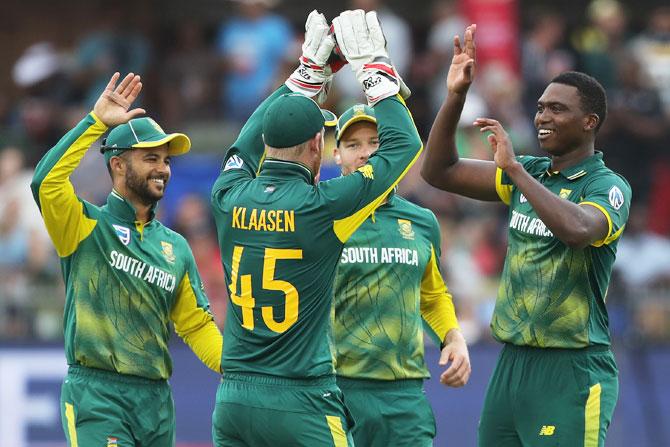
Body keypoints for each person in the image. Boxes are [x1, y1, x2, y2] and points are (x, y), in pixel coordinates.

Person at [209, 9, 422, 446]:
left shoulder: (227, 195)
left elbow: (244, 142)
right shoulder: (324, 206)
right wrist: (375, 70)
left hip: (232, 402)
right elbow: (406, 145)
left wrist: (302, 79)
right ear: (315, 147)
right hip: (302, 398)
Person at [421, 25, 631, 447]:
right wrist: (456, 96)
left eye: (557, 109)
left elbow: (577, 230)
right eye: (539, 108)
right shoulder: (533, 174)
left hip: (572, 368)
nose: (542, 118)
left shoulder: (607, 186)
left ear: (590, 122)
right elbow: (438, 170)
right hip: (512, 364)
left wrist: (515, 169)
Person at [30, 72, 223, 447]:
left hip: (156, 402)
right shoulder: (83, 225)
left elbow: (196, 326)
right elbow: (45, 182)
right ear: (118, 165)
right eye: (151, 158)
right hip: (98, 395)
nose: (163, 169)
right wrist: (95, 123)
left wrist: (236, 367)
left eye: (166, 160)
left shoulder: (176, 247)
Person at [331, 103, 471, 446]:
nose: (366, 154)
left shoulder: (422, 222)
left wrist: (452, 336)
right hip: (335, 389)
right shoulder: (321, 213)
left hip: (405, 393)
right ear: (336, 155)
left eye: (375, 143)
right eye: (353, 145)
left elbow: (433, 294)